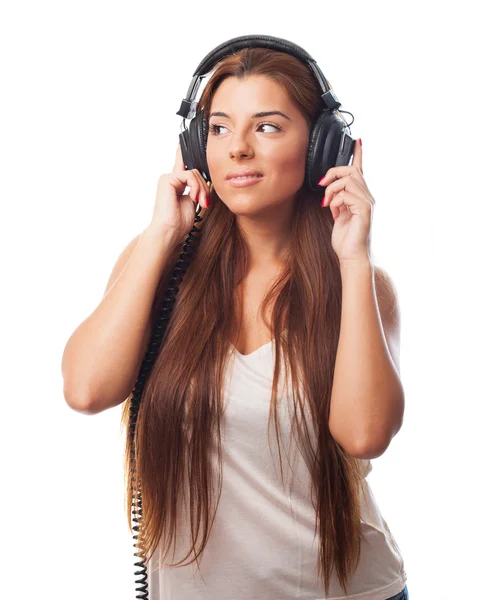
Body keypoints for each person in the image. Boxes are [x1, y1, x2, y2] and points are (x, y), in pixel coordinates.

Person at [62, 46, 408, 600]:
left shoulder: (359, 283)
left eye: (267, 126)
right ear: (197, 146)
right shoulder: (157, 262)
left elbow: (365, 435)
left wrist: (354, 258)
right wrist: (160, 236)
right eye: (219, 128)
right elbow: (85, 390)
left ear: (323, 149)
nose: (238, 148)